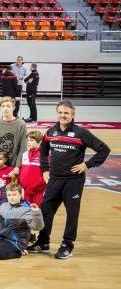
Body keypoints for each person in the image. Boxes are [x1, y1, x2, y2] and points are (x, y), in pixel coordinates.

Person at [30, 100, 110, 259]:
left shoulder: (81, 133)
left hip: (73, 181)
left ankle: (67, 245)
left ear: (73, 115)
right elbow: (43, 151)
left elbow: (104, 149)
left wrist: (87, 164)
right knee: (46, 210)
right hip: (54, 180)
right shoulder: (50, 132)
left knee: (71, 214)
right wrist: (45, 169)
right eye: (60, 112)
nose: (63, 115)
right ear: (57, 113)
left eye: (66, 113)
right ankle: (43, 242)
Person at [0, 182, 43, 260]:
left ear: (20, 195)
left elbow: (37, 227)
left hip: (16, 241)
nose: (11, 198)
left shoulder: (27, 209)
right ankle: (2, 246)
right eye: (9, 195)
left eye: (14, 195)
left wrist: (36, 213)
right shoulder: (3, 206)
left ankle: (20, 252)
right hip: (0, 236)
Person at [0, 96, 27, 178]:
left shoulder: (21, 124)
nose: (5, 109)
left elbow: (22, 149)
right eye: (3, 106)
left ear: (14, 107)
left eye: (8, 106)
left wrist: (18, 166)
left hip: (12, 167)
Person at [19, 130, 46, 206]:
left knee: (37, 212)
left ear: (40, 141)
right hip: (26, 192)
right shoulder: (24, 154)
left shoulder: (44, 156)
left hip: (39, 192)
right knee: (27, 212)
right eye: (27, 140)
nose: (28, 142)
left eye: (32, 140)